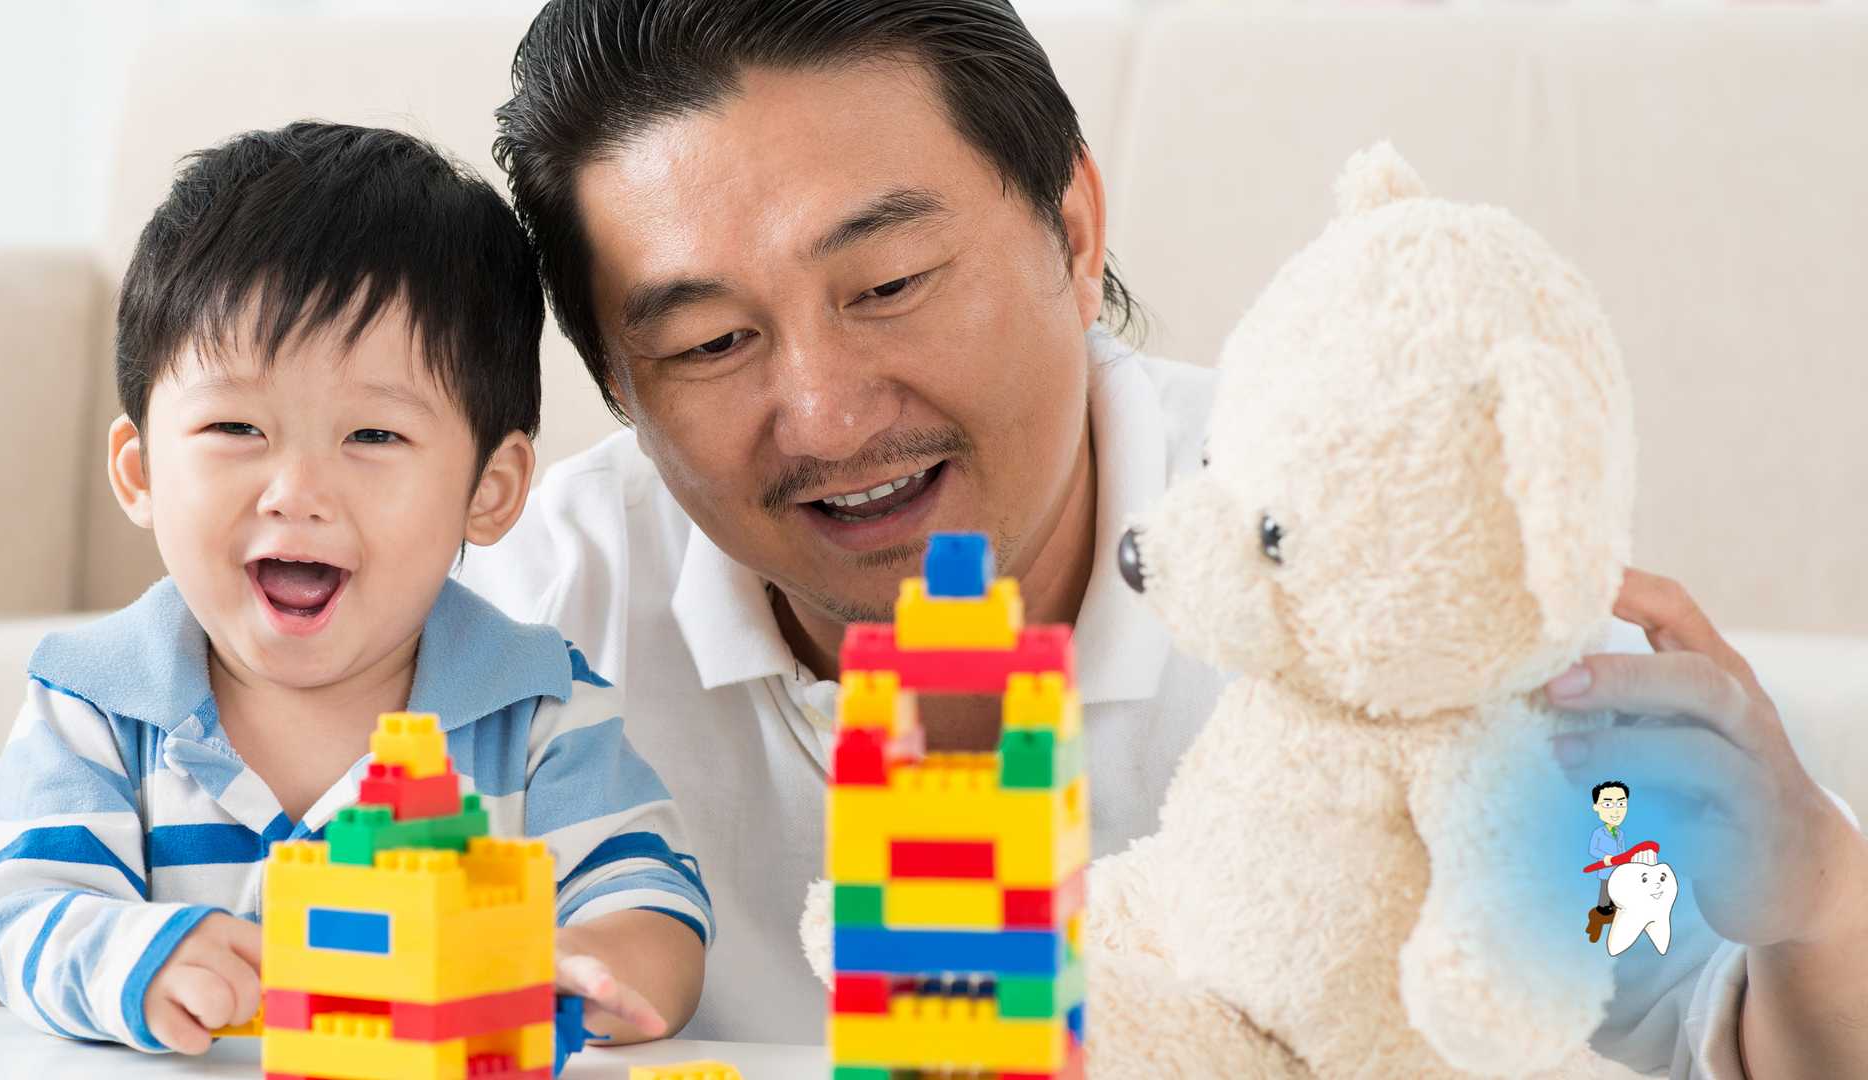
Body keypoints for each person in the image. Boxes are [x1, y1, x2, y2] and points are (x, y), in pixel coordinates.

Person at [468, 2, 1868, 1075]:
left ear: (1073, 228)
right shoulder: (522, 637)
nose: (826, 415)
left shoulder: (1381, 547)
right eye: (711, 342)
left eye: (888, 282)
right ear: (621, 388)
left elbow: (1707, 1020)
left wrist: (1815, 912)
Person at [0, 123, 708, 1052]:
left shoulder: (539, 712)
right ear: (140, 470)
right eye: (236, 426)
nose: (298, 493)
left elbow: (652, 905)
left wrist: (585, 962)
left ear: (490, 489)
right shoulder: (92, 706)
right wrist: (144, 958)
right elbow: (21, 915)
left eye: (374, 437)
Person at [1590, 781, 1633, 917]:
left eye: (1621, 804)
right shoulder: (1598, 832)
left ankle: (1617, 906)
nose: (1616, 811)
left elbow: (1624, 850)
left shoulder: (1620, 833)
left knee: (1618, 888)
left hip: (1620, 868)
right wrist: (1605, 856)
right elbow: (1592, 850)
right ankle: (1602, 909)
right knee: (1605, 889)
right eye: (1608, 804)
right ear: (1596, 807)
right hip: (1606, 868)